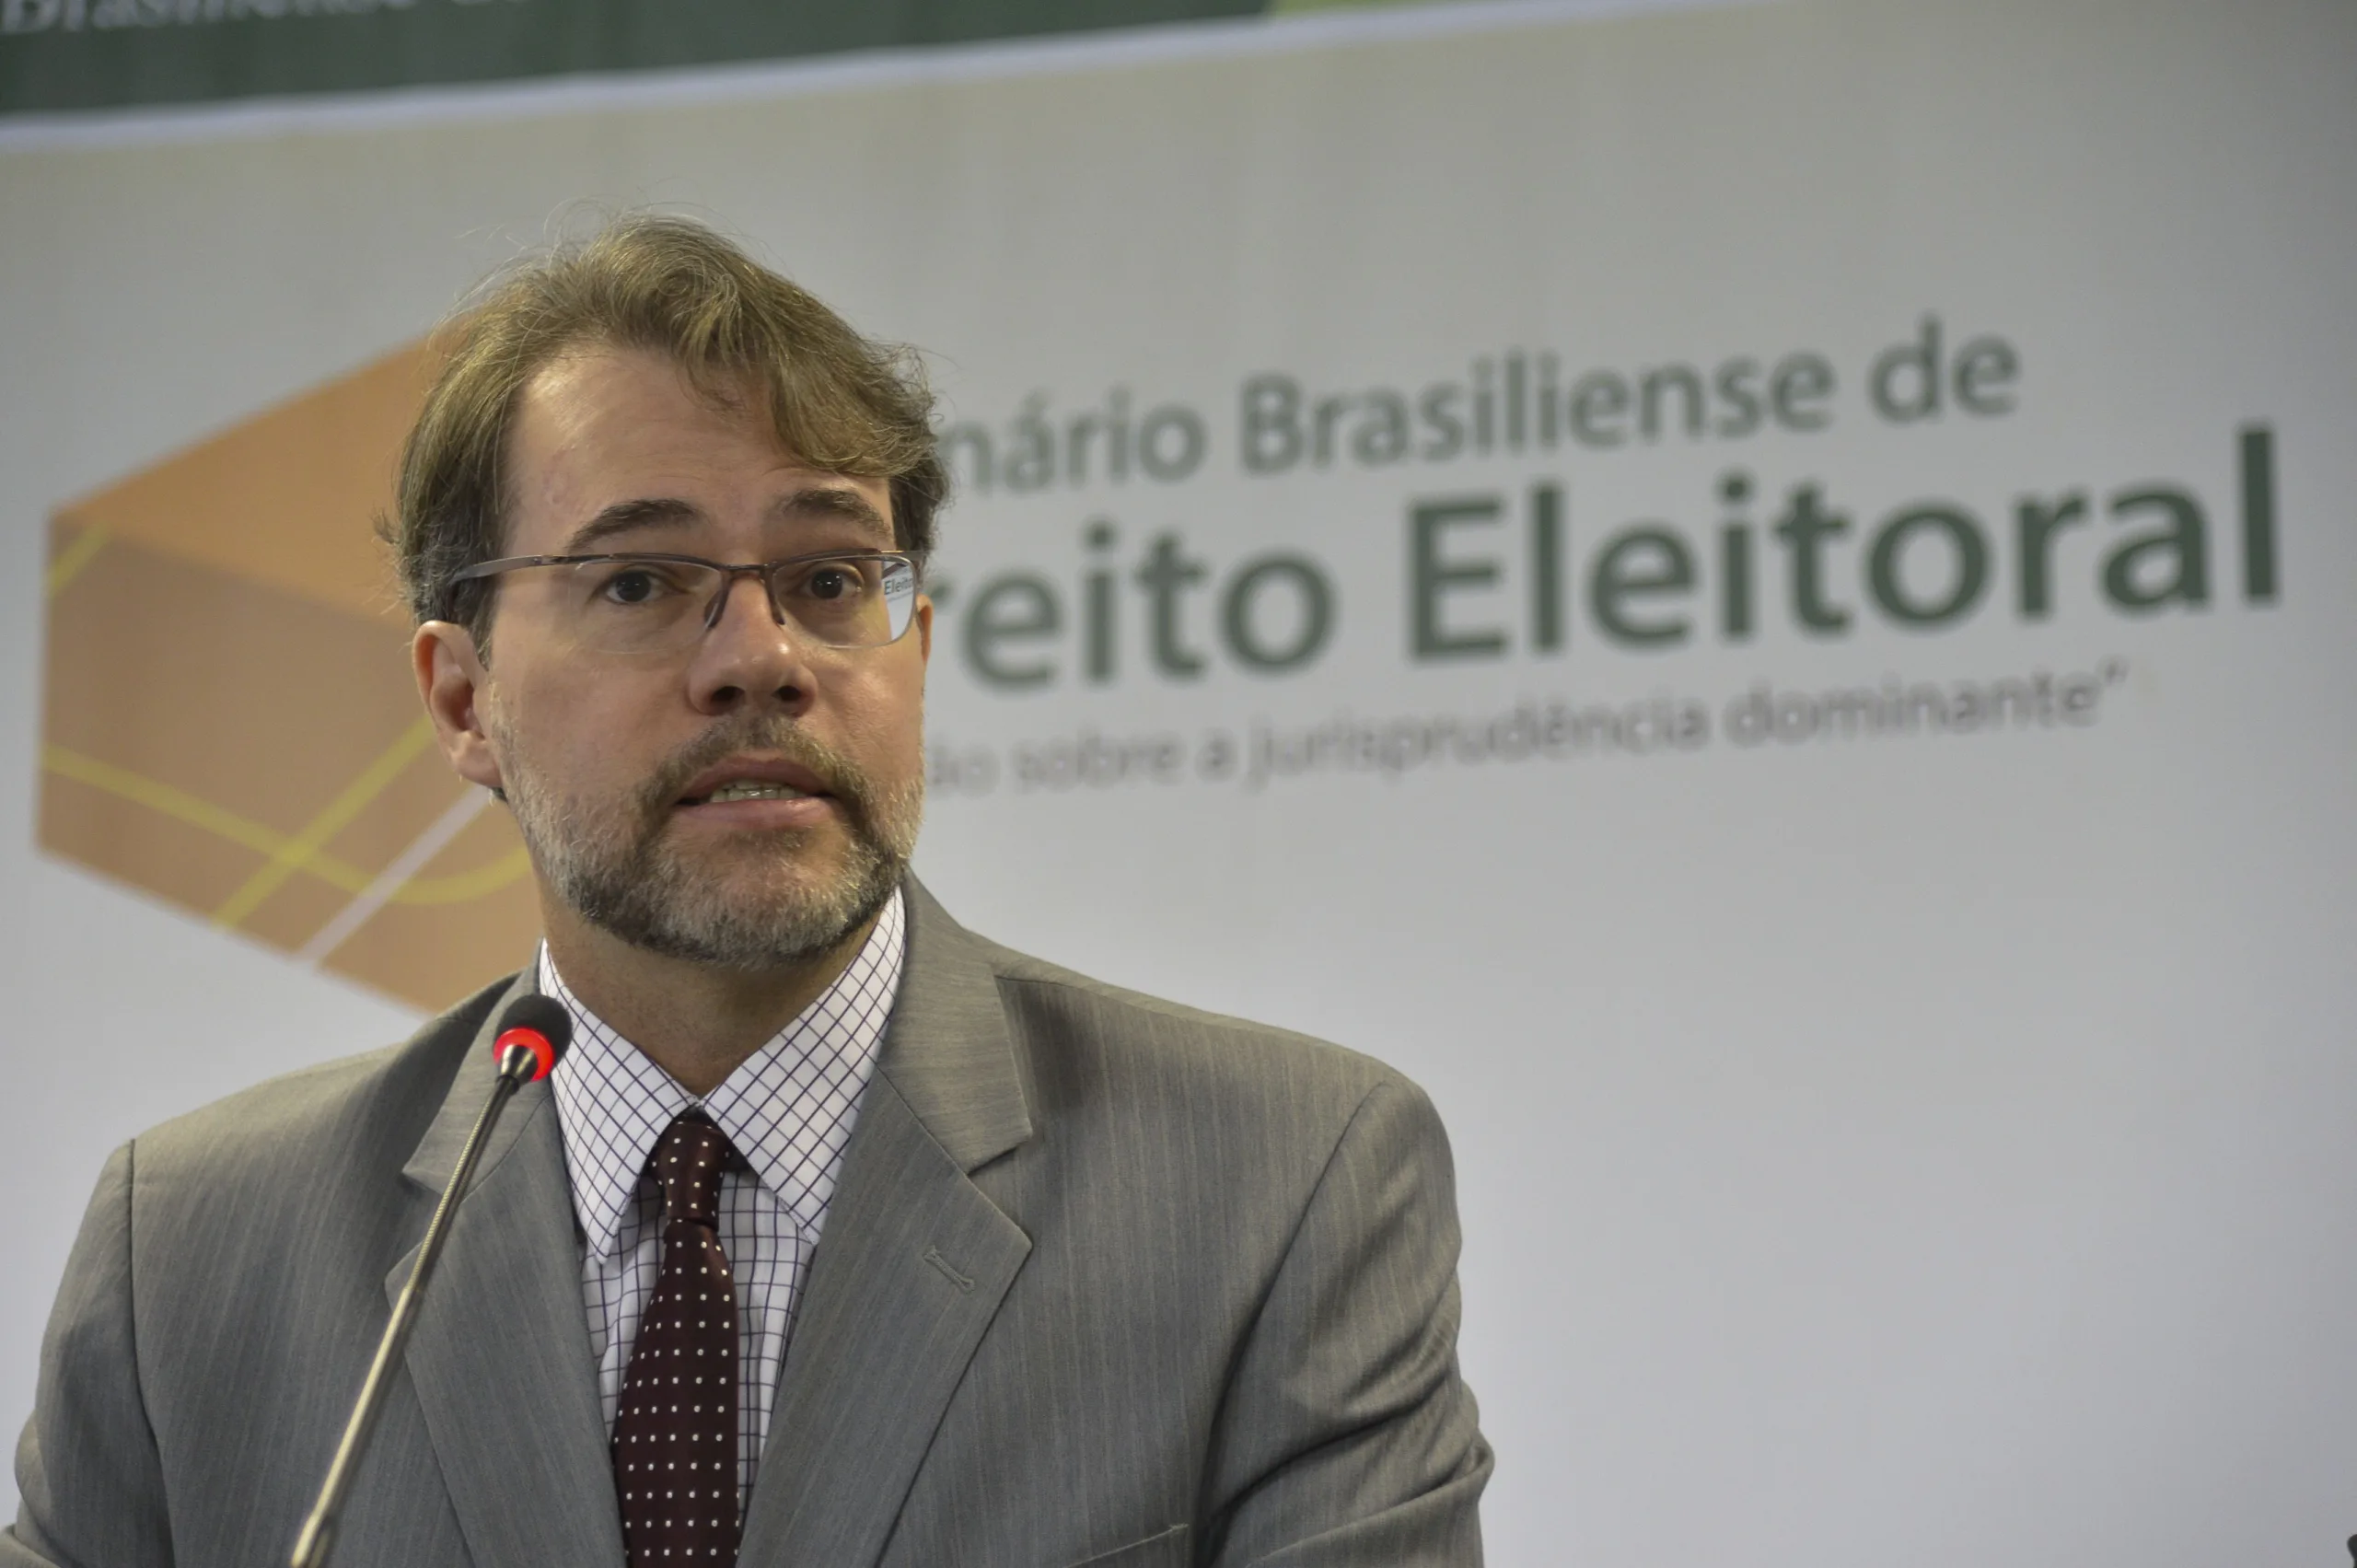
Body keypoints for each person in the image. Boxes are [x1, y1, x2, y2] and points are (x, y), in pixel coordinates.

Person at [5, 215, 1490, 1568]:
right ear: (465, 701)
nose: (764, 653)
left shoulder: (1277, 1187)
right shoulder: (191, 1263)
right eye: (642, 583)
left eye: (835, 576)